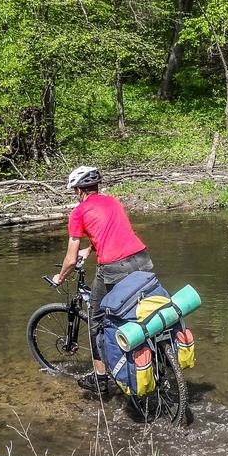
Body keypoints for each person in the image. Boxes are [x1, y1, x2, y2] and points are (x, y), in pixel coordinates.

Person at [51, 165, 152, 396]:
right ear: (96, 187)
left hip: (114, 267)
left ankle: (101, 380)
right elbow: (113, 232)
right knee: (139, 310)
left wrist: (60, 277)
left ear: (79, 191)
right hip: (142, 259)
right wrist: (90, 249)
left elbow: (70, 258)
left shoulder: (78, 212)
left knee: (96, 320)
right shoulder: (113, 201)